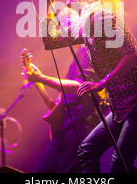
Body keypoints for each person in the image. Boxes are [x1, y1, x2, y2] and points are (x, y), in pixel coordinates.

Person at [39, 0, 137, 173]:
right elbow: (51, 42)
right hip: (122, 102)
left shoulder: (103, 17)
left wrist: (102, 82)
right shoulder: (86, 25)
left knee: (120, 163)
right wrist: (48, 5)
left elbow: (133, 54)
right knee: (87, 150)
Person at [22, 44, 108, 173]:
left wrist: (40, 78)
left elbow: (80, 86)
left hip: (80, 127)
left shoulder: (88, 49)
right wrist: (37, 79)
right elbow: (55, 106)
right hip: (66, 128)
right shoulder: (79, 53)